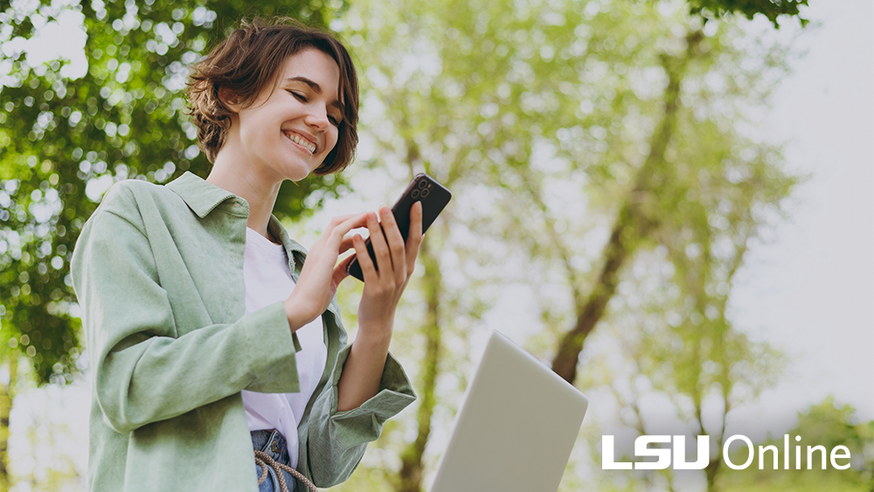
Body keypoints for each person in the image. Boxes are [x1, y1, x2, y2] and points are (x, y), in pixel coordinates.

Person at [71, 18, 421, 492]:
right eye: (301, 95)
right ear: (232, 95)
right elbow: (129, 385)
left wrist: (377, 320)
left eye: (335, 115)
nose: (322, 120)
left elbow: (323, 461)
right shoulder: (139, 213)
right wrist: (292, 314)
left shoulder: (303, 267)